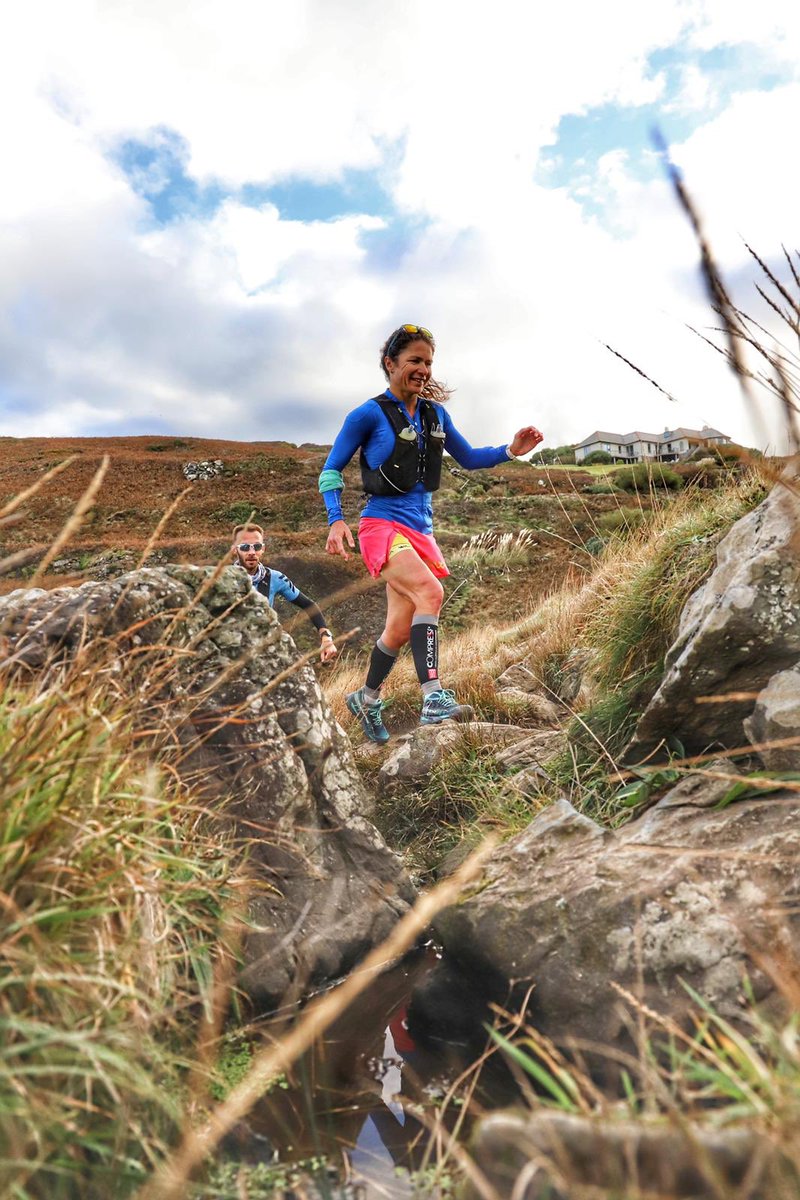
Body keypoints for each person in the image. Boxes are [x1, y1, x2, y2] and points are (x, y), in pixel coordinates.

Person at [319, 323, 543, 742]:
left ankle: (366, 698)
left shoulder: (436, 414)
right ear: (391, 364)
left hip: (421, 529)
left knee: (399, 630)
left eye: (427, 362)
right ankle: (433, 698)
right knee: (431, 594)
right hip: (381, 524)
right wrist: (335, 520)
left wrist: (511, 450)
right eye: (414, 361)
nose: (423, 369)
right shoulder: (367, 414)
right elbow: (330, 470)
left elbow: (470, 457)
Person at [231, 523, 338, 663]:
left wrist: (326, 638)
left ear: (263, 549)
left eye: (256, 547)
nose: (251, 552)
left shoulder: (275, 578)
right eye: (245, 547)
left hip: (265, 654)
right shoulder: (220, 579)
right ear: (234, 550)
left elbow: (308, 605)